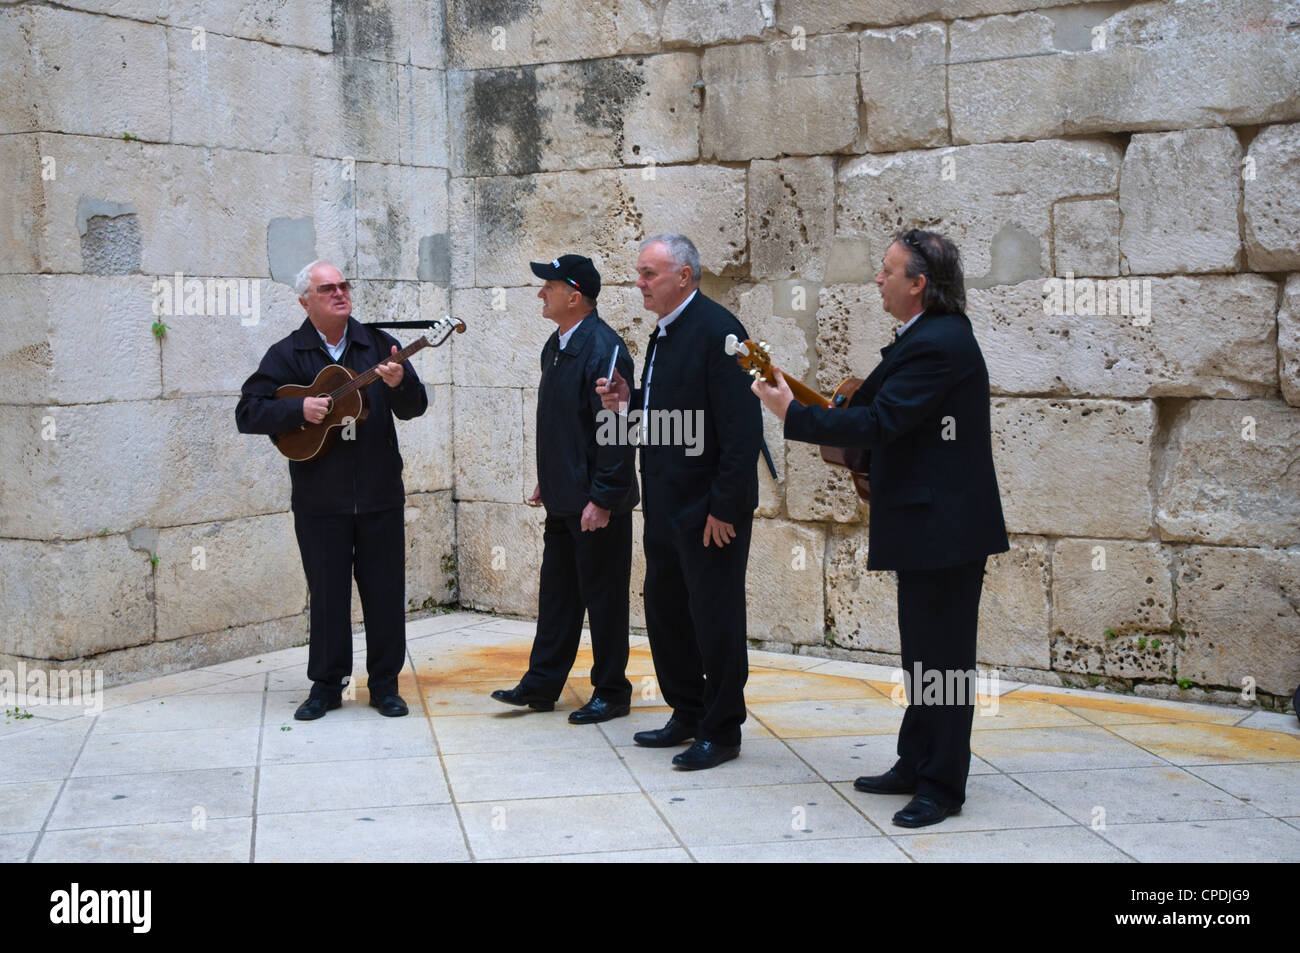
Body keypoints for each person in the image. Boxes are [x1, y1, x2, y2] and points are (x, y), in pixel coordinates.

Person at [751, 229, 1009, 827]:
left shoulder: (938, 343)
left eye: (888, 271)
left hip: (946, 530)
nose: (878, 279)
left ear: (918, 284)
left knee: (944, 660)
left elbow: (882, 421)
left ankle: (942, 785)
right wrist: (805, 402)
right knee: (922, 652)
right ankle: (915, 760)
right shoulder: (921, 338)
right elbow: (868, 410)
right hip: (928, 525)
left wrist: (790, 413)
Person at [235, 260, 428, 721]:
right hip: (320, 498)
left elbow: (414, 408)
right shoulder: (288, 354)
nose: (340, 293)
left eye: (343, 286)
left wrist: (401, 383)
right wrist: (299, 409)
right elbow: (248, 412)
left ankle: (384, 684)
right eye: (327, 289)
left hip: (380, 492)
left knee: (384, 591)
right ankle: (325, 684)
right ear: (306, 301)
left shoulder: (380, 345)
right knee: (327, 593)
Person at [597, 234, 763, 770]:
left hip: (709, 511)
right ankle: (687, 710)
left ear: (684, 276)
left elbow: (741, 432)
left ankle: (722, 727)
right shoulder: (663, 335)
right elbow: (668, 415)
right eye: (639, 273)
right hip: (666, 504)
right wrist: (629, 402)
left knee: (714, 617)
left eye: (649, 273)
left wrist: (726, 508)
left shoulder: (720, 332)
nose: (639, 283)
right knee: (666, 610)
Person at [491, 254, 639, 723]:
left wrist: (603, 498)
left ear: (574, 296)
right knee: (557, 594)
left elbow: (617, 431)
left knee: (604, 598)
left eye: (548, 287)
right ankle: (541, 685)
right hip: (564, 498)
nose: (541, 294)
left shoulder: (606, 350)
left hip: (596, 504)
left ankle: (612, 691)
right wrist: (550, 475)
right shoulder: (555, 345)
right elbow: (563, 425)